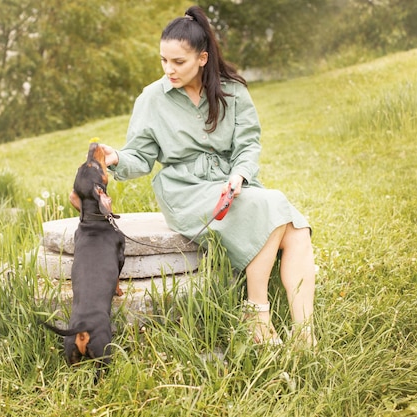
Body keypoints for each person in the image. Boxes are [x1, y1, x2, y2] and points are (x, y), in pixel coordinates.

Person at [101, 5, 316, 346]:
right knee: (273, 207)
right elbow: (141, 157)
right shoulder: (152, 99)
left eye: (178, 62)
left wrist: (240, 176)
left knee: (297, 229)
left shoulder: (232, 91)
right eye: (163, 60)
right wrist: (116, 158)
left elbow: (248, 145)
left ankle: (306, 337)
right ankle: (257, 314)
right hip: (185, 191)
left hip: (232, 184)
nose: (168, 69)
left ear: (202, 58)